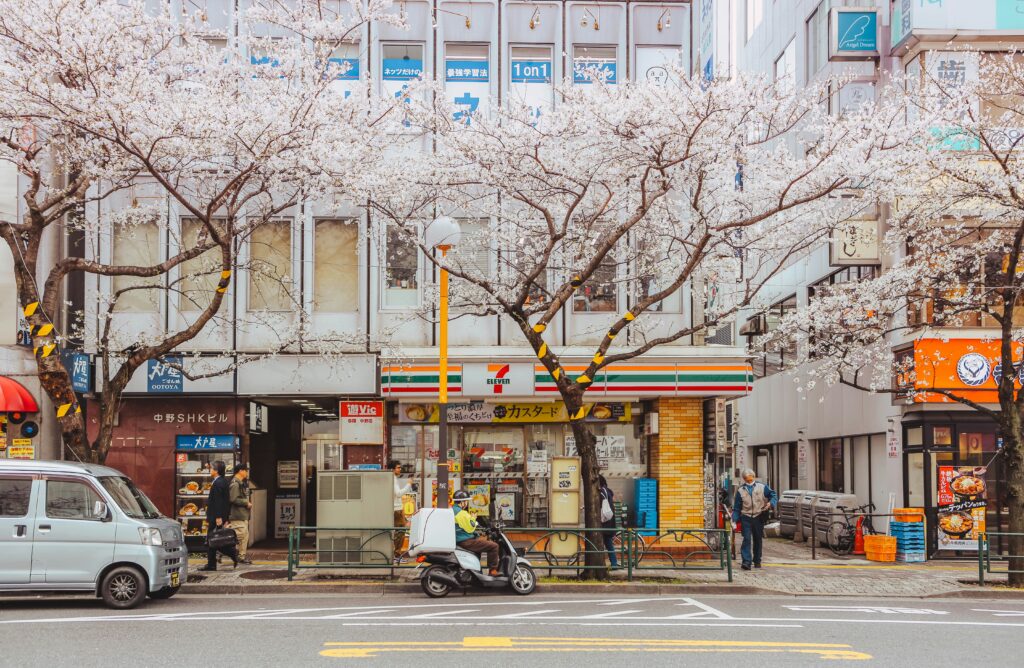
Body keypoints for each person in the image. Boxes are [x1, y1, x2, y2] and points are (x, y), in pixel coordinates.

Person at [732, 469, 777, 571]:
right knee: (746, 539)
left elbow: (773, 495)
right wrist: (734, 519)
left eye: (750, 478)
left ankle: (757, 561)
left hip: (758, 515)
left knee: (758, 539)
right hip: (745, 517)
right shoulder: (740, 490)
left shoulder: (762, 487)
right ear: (744, 479)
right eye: (746, 479)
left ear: (753, 476)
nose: (749, 481)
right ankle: (746, 562)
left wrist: (771, 503)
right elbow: (737, 508)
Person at [199, 460, 238, 571]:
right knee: (215, 539)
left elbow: (219, 502)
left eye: (211, 468)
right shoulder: (222, 481)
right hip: (217, 516)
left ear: (216, 471)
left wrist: (219, 517)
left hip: (216, 517)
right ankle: (213, 563)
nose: (210, 470)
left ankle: (229, 554)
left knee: (213, 540)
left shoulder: (218, 483)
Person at [453, 489, 500, 576]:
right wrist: (474, 518)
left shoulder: (453, 510)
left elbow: (463, 526)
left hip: (461, 538)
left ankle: (477, 570)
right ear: (462, 502)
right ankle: (492, 570)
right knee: (494, 546)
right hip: (465, 540)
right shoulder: (461, 513)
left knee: (480, 545)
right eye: (466, 501)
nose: (467, 503)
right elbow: (470, 527)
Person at [229, 463, 253, 565]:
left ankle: (241, 556)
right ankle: (221, 549)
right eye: (246, 471)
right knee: (239, 536)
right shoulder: (235, 483)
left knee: (244, 536)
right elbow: (233, 499)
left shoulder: (240, 482)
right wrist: (245, 502)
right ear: (241, 471)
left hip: (242, 514)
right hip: (237, 515)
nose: (247, 473)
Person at [389, 460, 412, 563]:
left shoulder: (393, 479)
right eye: (398, 467)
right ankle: (396, 555)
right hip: (396, 509)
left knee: (399, 531)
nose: (400, 469)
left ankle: (395, 555)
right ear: (392, 469)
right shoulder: (392, 479)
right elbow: (398, 494)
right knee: (400, 531)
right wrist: (408, 485)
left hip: (397, 509)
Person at [599, 475, 618, 568]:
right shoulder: (608, 491)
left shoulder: (601, 492)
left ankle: (600, 565)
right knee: (609, 544)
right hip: (610, 522)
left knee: (602, 544)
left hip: (604, 522)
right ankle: (614, 564)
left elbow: (600, 505)